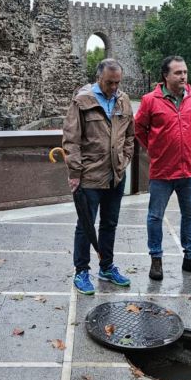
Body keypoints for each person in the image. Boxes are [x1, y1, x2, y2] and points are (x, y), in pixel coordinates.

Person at [134, 56, 191, 281]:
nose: (183, 76)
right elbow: (139, 128)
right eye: (178, 73)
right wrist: (154, 148)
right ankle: (156, 259)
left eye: (185, 72)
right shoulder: (150, 100)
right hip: (162, 171)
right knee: (155, 216)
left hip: (189, 170)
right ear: (166, 76)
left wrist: (186, 146)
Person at [62, 58, 134, 295]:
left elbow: (130, 136)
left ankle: (106, 266)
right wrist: (75, 172)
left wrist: (124, 159)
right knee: (85, 225)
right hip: (90, 176)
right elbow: (71, 139)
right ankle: (81, 271)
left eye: (117, 83)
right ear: (98, 78)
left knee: (109, 224)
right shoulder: (82, 100)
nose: (114, 87)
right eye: (109, 83)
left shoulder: (123, 101)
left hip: (115, 174)